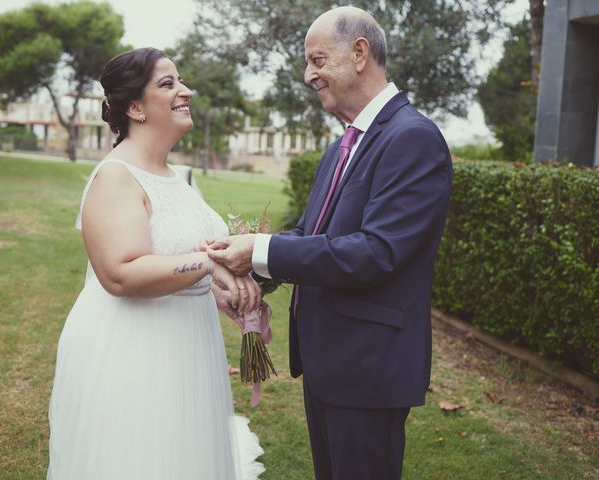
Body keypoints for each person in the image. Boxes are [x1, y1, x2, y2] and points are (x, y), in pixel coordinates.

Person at [207, 6, 452, 480]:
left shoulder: (412, 139)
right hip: (327, 363)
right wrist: (249, 264)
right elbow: (311, 234)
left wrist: (260, 249)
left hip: (367, 368)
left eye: (317, 60)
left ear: (359, 53)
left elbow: (377, 252)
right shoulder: (343, 143)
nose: (308, 75)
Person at [47, 47, 265, 479]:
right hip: (132, 348)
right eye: (168, 84)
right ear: (134, 108)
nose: (185, 91)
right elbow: (121, 273)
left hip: (187, 343)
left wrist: (225, 291)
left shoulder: (178, 177)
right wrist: (207, 265)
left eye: (181, 81)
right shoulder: (115, 176)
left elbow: (176, 260)